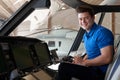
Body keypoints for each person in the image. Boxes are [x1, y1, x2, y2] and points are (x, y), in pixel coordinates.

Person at [56, 5, 114, 80]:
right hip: (92, 68)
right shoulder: (86, 35)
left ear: (93, 18)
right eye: (80, 19)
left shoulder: (102, 33)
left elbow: (107, 58)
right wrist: (80, 61)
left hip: (99, 73)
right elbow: (90, 53)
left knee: (63, 67)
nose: (83, 21)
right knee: (68, 61)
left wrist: (84, 63)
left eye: (86, 18)